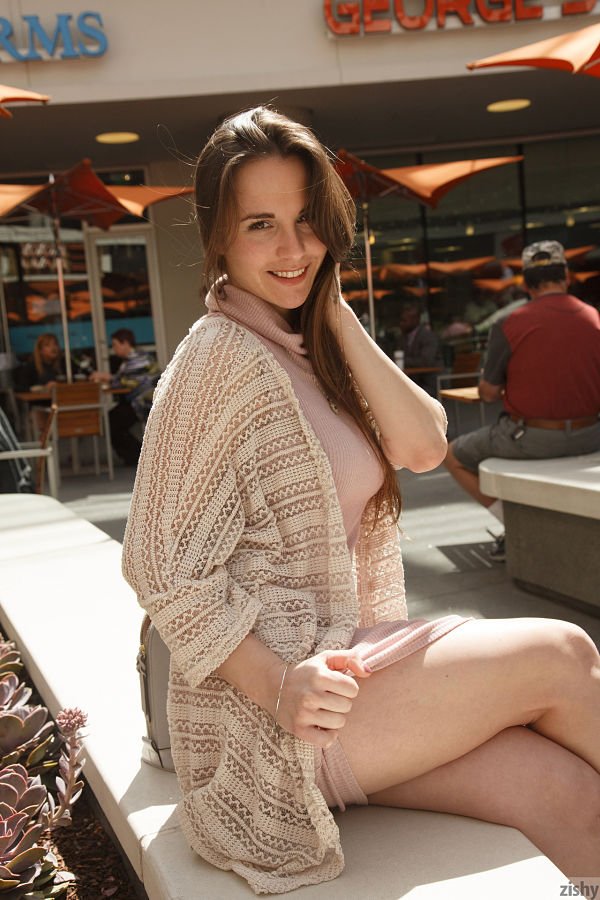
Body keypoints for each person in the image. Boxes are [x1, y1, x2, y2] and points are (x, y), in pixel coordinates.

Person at [122, 110, 600, 895]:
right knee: (564, 655)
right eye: (261, 225)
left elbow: (425, 445)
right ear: (218, 237)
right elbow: (158, 566)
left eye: (308, 220)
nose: (292, 248)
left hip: (345, 671)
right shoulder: (216, 360)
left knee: (569, 794)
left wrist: (334, 307)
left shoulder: (305, 345)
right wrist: (277, 686)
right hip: (276, 718)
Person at [445, 240, 600, 561]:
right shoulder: (594, 317)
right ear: (566, 276)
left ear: (527, 284)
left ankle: (513, 527)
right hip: (591, 435)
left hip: (532, 438)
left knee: (452, 455)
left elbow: (488, 393)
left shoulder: (510, 323)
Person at [90, 328, 160, 466]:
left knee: (111, 422)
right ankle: (136, 455)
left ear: (125, 343)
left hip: (144, 403)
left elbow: (129, 382)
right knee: (111, 420)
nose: (114, 349)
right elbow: (125, 380)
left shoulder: (138, 359)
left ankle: (137, 456)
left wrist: (108, 378)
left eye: (115, 345)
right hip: (138, 401)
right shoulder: (133, 359)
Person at [395, 301, 442, 394]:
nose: (401, 324)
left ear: (415, 320)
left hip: (430, 382)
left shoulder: (428, 336)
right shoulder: (402, 338)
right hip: (412, 381)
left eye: (404, 320)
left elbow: (425, 361)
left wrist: (403, 361)